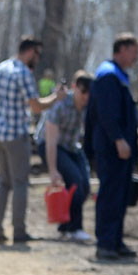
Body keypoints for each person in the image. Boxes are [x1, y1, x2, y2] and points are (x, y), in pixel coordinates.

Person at [0, 35, 68, 245]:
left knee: (3, 183)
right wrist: (56, 98)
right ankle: (19, 231)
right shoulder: (23, 73)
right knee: (20, 183)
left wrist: (1, 117)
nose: (38, 59)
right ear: (30, 51)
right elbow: (36, 106)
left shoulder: (0, 68)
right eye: (38, 54)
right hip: (16, 134)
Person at [87, 34, 138, 262]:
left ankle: (116, 241)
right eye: (134, 51)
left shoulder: (119, 75)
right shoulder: (108, 75)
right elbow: (107, 114)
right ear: (121, 49)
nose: (137, 57)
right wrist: (119, 140)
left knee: (120, 195)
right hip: (112, 147)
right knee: (110, 194)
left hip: (121, 147)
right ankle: (105, 243)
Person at [38, 70, 93, 243]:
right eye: (83, 92)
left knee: (84, 185)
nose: (85, 97)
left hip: (71, 147)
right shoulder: (60, 105)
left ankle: (65, 225)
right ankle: (75, 228)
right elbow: (51, 140)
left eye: (89, 93)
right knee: (75, 181)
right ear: (74, 87)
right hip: (49, 145)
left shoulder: (87, 108)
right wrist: (53, 170)